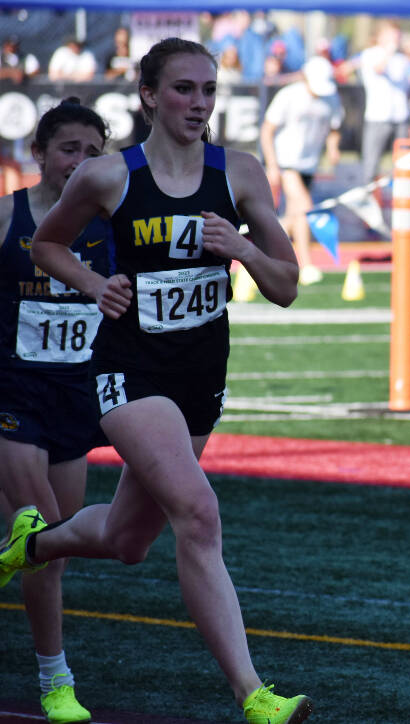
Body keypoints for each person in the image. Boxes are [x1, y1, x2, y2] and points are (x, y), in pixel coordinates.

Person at [0, 38, 311, 724]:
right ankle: (253, 694)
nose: (198, 103)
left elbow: (287, 286)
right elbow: (48, 244)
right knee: (196, 513)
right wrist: (92, 283)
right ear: (147, 95)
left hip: (200, 374)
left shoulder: (241, 174)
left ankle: (34, 544)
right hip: (128, 371)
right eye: (183, 89)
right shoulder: (109, 176)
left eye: (208, 90)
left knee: (126, 539)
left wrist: (244, 249)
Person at [0, 97, 112, 724]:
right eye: (69, 149)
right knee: (37, 527)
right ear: (38, 153)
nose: (80, 163)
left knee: (53, 549)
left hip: (76, 398)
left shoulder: (111, 223)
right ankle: (55, 680)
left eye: (94, 153)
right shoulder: (7, 218)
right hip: (13, 396)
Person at [260, 56, 344, 286]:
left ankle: (260, 247)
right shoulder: (289, 96)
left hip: (309, 164)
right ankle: (306, 264)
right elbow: (267, 130)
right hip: (286, 161)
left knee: (296, 216)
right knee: (305, 208)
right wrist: (273, 165)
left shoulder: (331, 98)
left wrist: (332, 148)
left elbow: (335, 127)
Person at [346, 20, 410, 183]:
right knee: (371, 164)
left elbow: (406, 86)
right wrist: (388, 52)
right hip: (378, 116)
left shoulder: (401, 58)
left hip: (400, 117)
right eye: (391, 35)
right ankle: (366, 199)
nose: (395, 39)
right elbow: (379, 69)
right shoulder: (371, 54)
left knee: (403, 164)